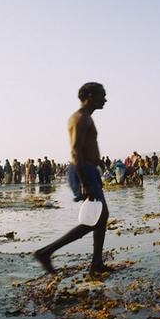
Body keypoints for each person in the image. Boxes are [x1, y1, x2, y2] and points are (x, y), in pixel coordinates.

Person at [33, 82, 113, 275]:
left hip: (89, 169)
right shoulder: (80, 118)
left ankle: (96, 264)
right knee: (96, 218)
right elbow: (75, 151)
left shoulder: (86, 118)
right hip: (82, 170)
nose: (105, 99)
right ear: (91, 96)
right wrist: (85, 182)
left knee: (101, 217)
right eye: (102, 95)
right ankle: (46, 252)